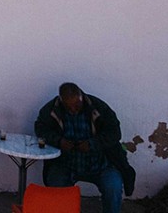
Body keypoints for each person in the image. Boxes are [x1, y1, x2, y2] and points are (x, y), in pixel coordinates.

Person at [34, 82, 135, 213]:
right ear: (61, 100)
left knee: (113, 187)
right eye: (68, 107)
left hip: (100, 165)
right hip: (66, 164)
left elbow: (114, 133)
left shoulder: (98, 107)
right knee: (55, 187)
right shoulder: (51, 110)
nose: (73, 110)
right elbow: (41, 129)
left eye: (76, 105)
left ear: (81, 96)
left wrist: (93, 144)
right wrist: (59, 141)